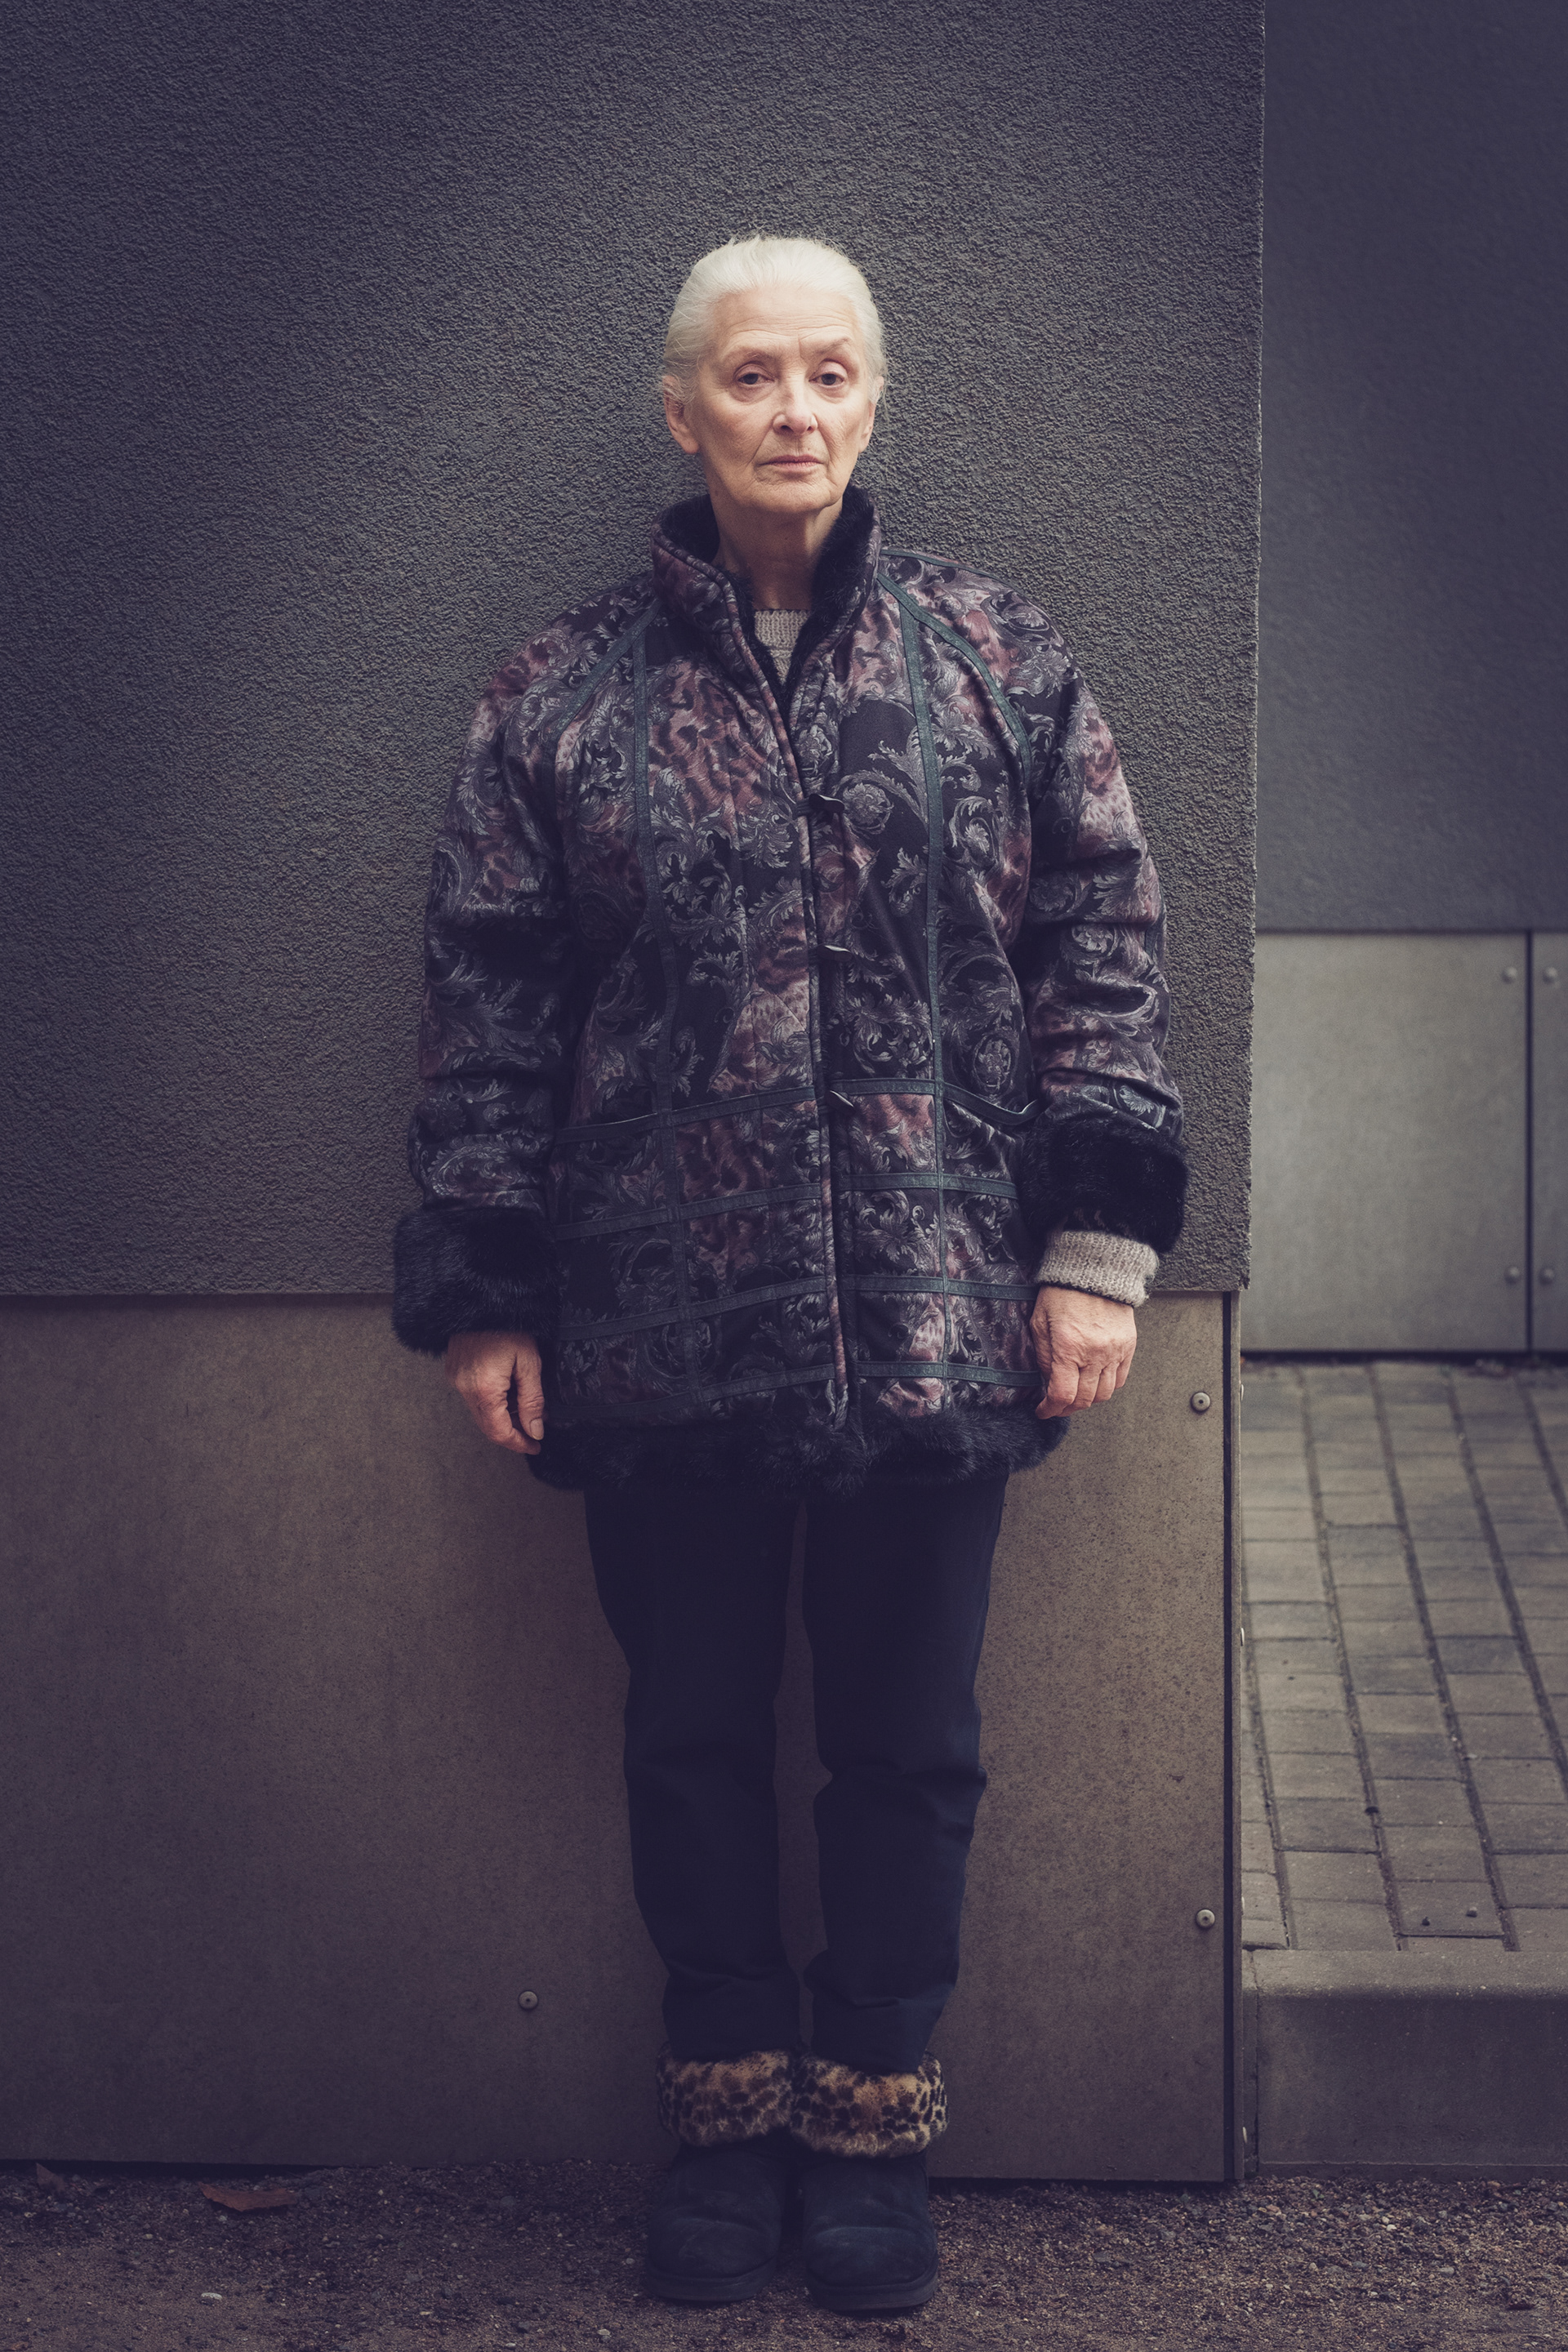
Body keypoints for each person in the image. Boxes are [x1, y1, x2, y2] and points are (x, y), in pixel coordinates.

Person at [393, 234, 1185, 2314]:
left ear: (875, 397)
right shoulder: (560, 695)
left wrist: (1096, 1252)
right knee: (691, 1733)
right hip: (658, 1336)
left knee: (909, 1745)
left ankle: (873, 2126)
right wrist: (489, 1287)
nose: (795, 410)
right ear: (684, 411)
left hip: (942, 1317)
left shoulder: (995, 658)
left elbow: (1103, 943)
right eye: (753, 375)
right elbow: (490, 999)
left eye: (832, 372)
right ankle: (727, 2116)